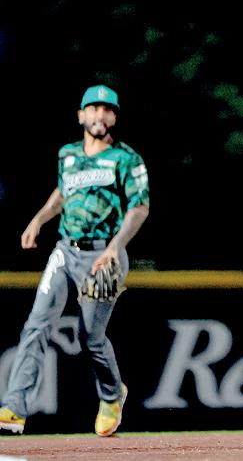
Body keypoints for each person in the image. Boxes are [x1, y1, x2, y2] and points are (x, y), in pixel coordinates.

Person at [0, 85, 150, 436]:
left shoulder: (126, 159)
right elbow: (63, 192)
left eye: (107, 110)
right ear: (81, 115)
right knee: (36, 325)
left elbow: (139, 207)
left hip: (104, 256)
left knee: (91, 337)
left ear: (114, 118)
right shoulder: (67, 155)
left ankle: (112, 395)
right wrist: (38, 219)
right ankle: (14, 408)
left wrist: (115, 248)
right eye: (93, 108)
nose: (100, 115)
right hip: (65, 251)